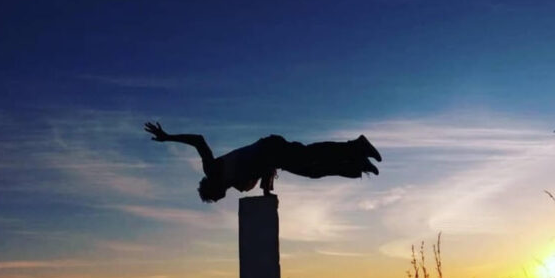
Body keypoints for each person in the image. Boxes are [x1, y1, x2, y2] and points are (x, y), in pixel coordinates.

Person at [144, 122, 381, 202]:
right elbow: (262, 168)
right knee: (313, 169)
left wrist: (168, 137)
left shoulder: (213, 170)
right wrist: (267, 189)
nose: (218, 198)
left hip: (270, 148)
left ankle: (357, 148)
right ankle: (358, 164)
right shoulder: (237, 184)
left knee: (310, 158)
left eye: (213, 197)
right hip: (272, 154)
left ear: (212, 188)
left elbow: (199, 140)